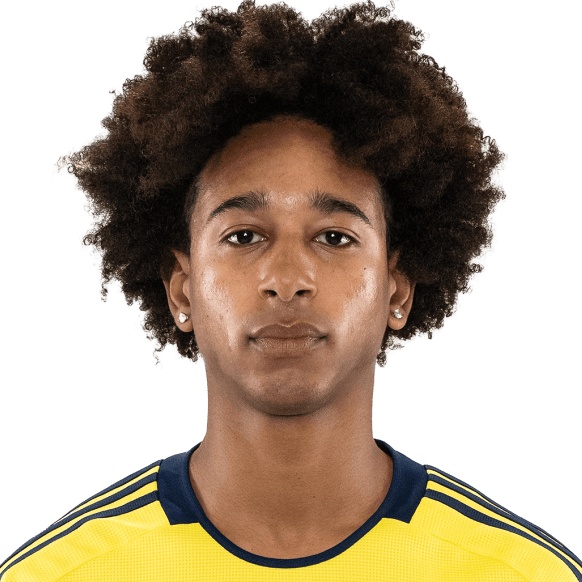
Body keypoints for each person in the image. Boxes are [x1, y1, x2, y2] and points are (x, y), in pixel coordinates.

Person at [1, 1, 580, 580]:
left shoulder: (525, 573)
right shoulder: (57, 574)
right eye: (243, 236)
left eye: (334, 237)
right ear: (182, 291)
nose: (287, 281)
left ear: (397, 290)